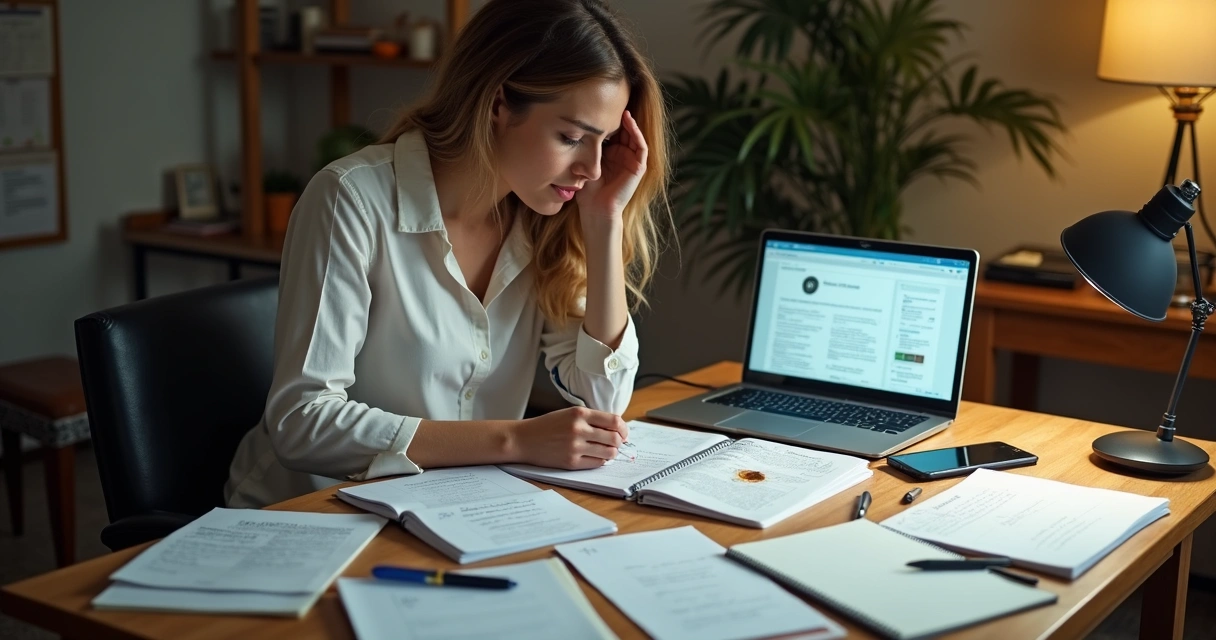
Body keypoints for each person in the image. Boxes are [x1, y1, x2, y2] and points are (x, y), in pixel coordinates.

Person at [225, 0, 671, 508]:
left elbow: (603, 404)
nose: (591, 168)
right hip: (316, 512)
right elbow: (301, 422)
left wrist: (604, 221)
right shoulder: (350, 198)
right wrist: (514, 440)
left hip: (452, 510)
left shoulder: (543, 224)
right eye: (571, 137)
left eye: (606, 143)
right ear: (499, 104)